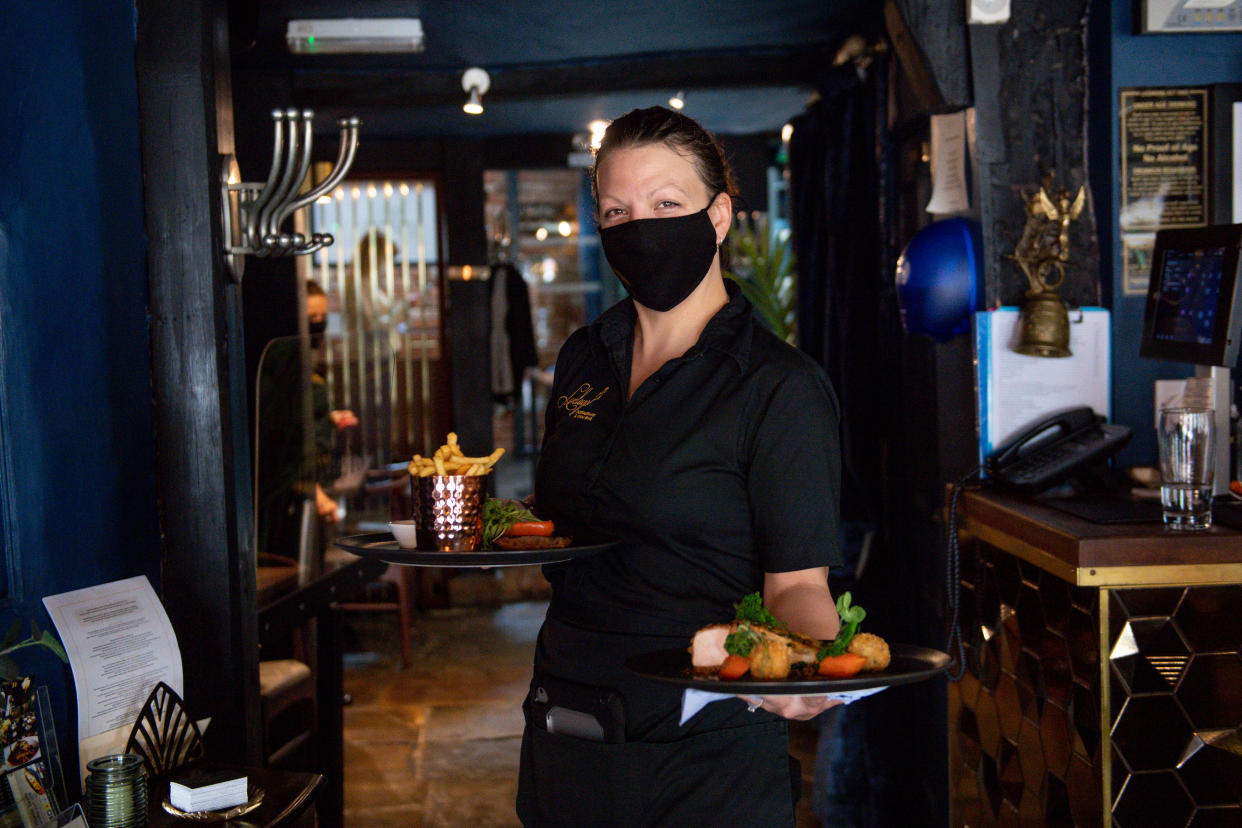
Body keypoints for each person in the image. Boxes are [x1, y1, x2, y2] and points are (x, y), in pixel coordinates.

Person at [516, 106, 844, 826]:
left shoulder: (777, 387)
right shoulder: (583, 358)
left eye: (667, 204)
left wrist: (807, 660)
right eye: (616, 210)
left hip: (702, 741)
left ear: (720, 215)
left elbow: (797, 586)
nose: (642, 227)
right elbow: (560, 526)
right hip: (566, 714)